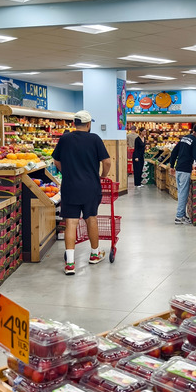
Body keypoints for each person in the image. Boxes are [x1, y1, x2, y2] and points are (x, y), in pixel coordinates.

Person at [52, 110, 112, 275]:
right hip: (90, 186)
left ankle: (70, 264)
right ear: (88, 124)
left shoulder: (65, 139)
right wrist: (103, 176)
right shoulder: (94, 139)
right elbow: (107, 161)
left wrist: (67, 172)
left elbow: (56, 160)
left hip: (70, 186)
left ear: (73, 124)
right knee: (91, 218)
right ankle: (94, 254)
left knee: (71, 222)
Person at [169, 122, 196, 225]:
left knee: (181, 193)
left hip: (179, 168)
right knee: (183, 194)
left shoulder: (185, 138)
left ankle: (183, 215)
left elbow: (174, 152)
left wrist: (171, 165)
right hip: (185, 170)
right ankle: (179, 217)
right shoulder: (195, 141)